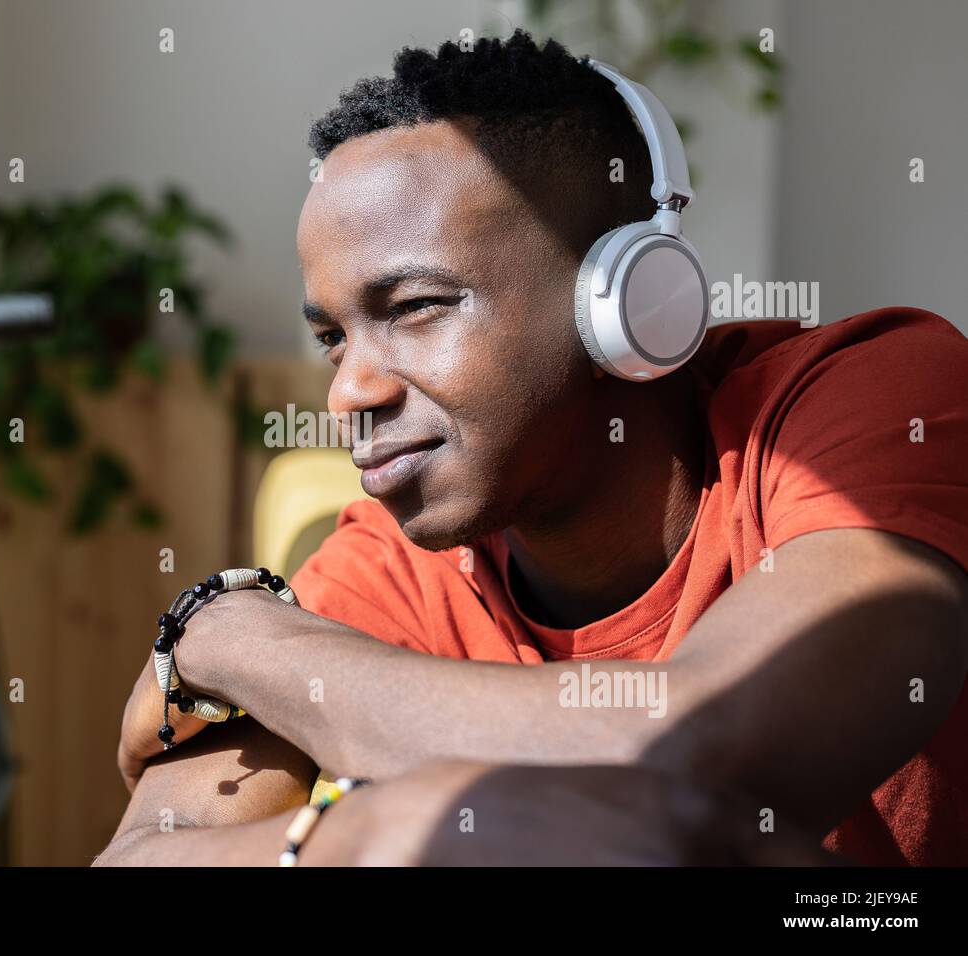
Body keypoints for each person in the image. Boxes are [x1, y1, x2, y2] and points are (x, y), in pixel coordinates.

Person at [97, 31, 968, 867]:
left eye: (414, 307)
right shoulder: (390, 564)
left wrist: (226, 636)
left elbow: (698, 764)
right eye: (333, 337)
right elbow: (141, 856)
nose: (348, 394)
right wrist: (355, 842)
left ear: (628, 301)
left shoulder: (876, 403)